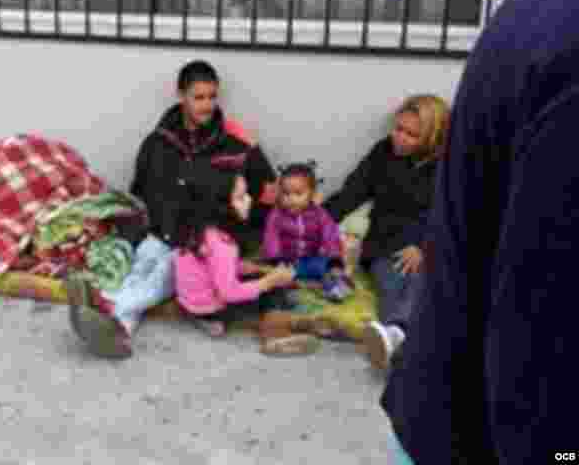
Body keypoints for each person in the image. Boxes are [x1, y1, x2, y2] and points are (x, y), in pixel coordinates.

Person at [382, 0, 579, 463]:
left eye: (408, 130)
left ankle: (393, 331)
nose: (398, 137)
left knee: (403, 284)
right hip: (484, 428)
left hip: (444, 394)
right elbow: (546, 316)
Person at [66, 60, 323, 358]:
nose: (207, 105)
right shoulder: (157, 143)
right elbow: (140, 193)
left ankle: (105, 305)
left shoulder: (236, 146)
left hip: (202, 245)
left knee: (161, 278)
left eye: (212, 97)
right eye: (198, 97)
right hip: (160, 234)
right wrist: (136, 235)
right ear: (181, 96)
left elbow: (267, 199)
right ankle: (118, 331)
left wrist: (247, 240)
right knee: (138, 271)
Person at [320, 94, 447, 372]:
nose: (399, 138)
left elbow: (453, 211)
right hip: (386, 244)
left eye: (411, 134)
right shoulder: (383, 153)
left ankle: (396, 336)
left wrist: (424, 246)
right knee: (393, 286)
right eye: (398, 129)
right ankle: (398, 336)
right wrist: (316, 223)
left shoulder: (447, 166)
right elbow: (351, 193)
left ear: (431, 137)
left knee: (422, 282)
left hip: (430, 244)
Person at [173, 172, 307, 350]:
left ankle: (201, 318)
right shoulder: (223, 244)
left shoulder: (198, 229)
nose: (249, 200)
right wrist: (268, 282)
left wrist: (239, 268)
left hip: (189, 301)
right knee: (273, 291)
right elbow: (229, 293)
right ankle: (275, 334)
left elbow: (205, 265)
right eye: (241, 197)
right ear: (221, 206)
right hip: (212, 308)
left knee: (261, 277)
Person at [260, 161, 351, 302]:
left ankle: (334, 287)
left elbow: (330, 235)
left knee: (327, 266)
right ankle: (286, 290)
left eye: (298, 193)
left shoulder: (319, 214)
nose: (291, 199)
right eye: (286, 193)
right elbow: (271, 238)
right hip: (286, 261)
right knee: (274, 275)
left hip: (310, 259)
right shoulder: (276, 215)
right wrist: (275, 260)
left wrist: (334, 259)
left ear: (312, 194)